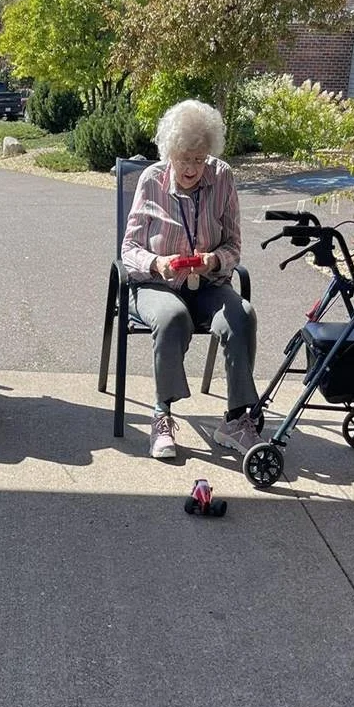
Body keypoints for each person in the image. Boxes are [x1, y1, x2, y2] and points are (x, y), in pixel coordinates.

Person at [121, 99, 259, 461]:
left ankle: (236, 419)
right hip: (157, 284)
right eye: (184, 159)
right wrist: (156, 263)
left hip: (208, 284)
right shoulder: (152, 180)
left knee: (242, 314)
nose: (192, 169)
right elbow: (129, 248)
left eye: (200, 159)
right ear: (170, 153)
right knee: (172, 317)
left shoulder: (223, 176)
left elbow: (234, 245)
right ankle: (161, 414)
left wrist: (215, 260)